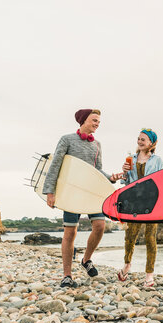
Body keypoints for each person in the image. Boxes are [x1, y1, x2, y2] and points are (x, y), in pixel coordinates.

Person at [43, 109, 123, 288]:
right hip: (71, 192)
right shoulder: (67, 139)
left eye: (98, 122)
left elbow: (97, 171)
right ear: (83, 120)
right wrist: (50, 191)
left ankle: (86, 259)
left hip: (91, 192)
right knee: (70, 232)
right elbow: (55, 164)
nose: (97, 124)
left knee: (100, 226)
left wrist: (110, 177)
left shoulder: (97, 145)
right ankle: (67, 275)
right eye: (94, 120)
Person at [117, 128, 163, 286]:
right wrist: (124, 173)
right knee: (130, 236)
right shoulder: (131, 158)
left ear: (151, 143)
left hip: (151, 203)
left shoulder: (157, 160)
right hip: (133, 202)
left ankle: (149, 275)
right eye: (138, 138)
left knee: (150, 238)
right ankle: (127, 265)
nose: (140, 141)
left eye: (143, 139)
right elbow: (126, 183)